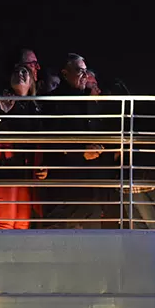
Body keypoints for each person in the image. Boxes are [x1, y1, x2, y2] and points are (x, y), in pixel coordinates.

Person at [41, 53, 109, 227]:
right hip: (64, 185)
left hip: (91, 186)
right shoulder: (53, 101)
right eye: (80, 71)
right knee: (60, 237)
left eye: (86, 71)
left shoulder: (90, 99)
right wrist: (80, 153)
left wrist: (99, 147)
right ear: (65, 73)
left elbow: (101, 131)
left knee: (91, 239)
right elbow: (50, 139)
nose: (85, 76)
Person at [0, 63, 46, 229]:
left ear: (31, 83)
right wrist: (3, 114)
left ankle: (17, 255)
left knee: (23, 224)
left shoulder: (35, 108)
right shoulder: (0, 102)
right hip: (5, 169)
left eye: (25, 72)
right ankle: (2, 255)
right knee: (6, 223)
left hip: (26, 171)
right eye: (16, 71)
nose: (20, 74)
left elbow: (41, 141)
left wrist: (43, 165)